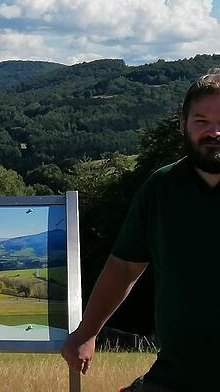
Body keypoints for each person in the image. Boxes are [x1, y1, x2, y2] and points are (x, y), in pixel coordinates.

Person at [61, 71, 220, 391]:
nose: (214, 131)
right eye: (201, 121)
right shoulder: (161, 189)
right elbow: (124, 266)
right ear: (182, 125)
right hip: (176, 377)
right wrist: (88, 331)